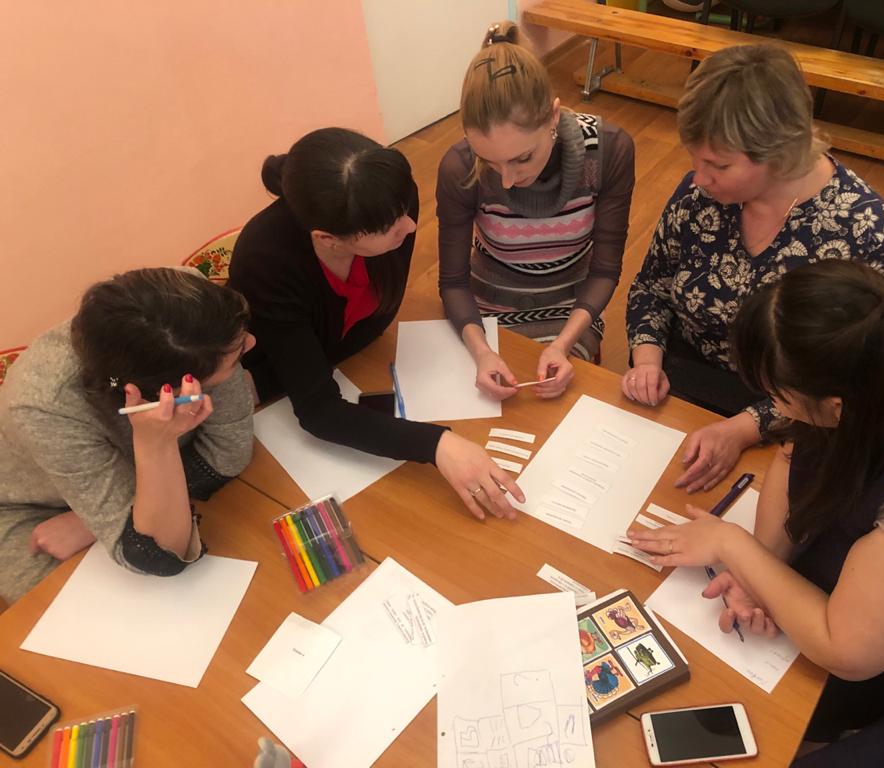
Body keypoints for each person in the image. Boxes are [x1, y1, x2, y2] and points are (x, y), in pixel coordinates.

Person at [627, 260, 884, 766]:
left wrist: (734, 545)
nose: (772, 407)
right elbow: (793, 455)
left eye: (779, 396)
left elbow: (847, 650)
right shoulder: (875, 366)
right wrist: (762, 567)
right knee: (724, 688)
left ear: (836, 406)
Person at [623, 44, 884, 494]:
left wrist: (744, 428)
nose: (699, 178)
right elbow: (652, 287)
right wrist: (647, 361)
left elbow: (852, 377)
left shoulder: (860, 227)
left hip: (797, 415)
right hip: (683, 380)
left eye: (719, 165)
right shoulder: (700, 197)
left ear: (780, 152)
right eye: (695, 158)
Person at [228, 128, 523, 520]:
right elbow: (318, 410)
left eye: (404, 211)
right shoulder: (266, 260)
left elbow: (368, 325)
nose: (410, 226)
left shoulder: (390, 201)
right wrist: (438, 445)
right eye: (390, 228)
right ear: (328, 239)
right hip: (272, 395)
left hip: (352, 364)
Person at [0, 268, 255, 605]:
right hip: (32, 511)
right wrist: (155, 445)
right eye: (236, 356)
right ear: (167, 390)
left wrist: (89, 524)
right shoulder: (44, 404)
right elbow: (159, 555)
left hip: (126, 487)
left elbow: (230, 452)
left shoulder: (194, 312)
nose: (251, 342)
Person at [437, 21, 635, 401]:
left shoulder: (608, 151)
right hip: (484, 311)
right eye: (488, 161)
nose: (507, 180)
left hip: (573, 307)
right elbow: (454, 282)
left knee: (556, 409)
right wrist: (482, 351)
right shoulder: (459, 167)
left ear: (553, 116)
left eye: (522, 158)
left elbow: (605, 270)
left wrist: (563, 343)